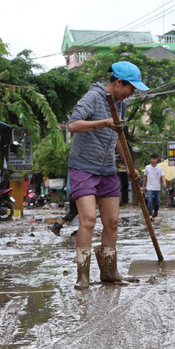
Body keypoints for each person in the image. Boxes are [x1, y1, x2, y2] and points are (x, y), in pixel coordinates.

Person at [66, 60, 148, 289]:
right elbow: (73, 126)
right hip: (83, 167)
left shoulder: (119, 104)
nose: (131, 94)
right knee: (89, 220)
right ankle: (83, 275)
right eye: (131, 88)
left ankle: (109, 272)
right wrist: (104, 123)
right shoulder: (92, 97)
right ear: (119, 82)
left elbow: (118, 138)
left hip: (107, 170)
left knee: (112, 222)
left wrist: (130, 167)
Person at [143, 153, 166, 219]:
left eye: (155, 159)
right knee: (149, 201)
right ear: (150, 159)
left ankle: (155, 213)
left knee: (157, 203)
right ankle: (150, 213)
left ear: (157, 159)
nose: (154, 160)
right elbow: (145, 177)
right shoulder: (147, 167)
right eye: (152, 159)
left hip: (157, 188)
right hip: (149, 188)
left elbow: (162, 176)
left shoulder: (160, 168)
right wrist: (143, 186)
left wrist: (164, 182)